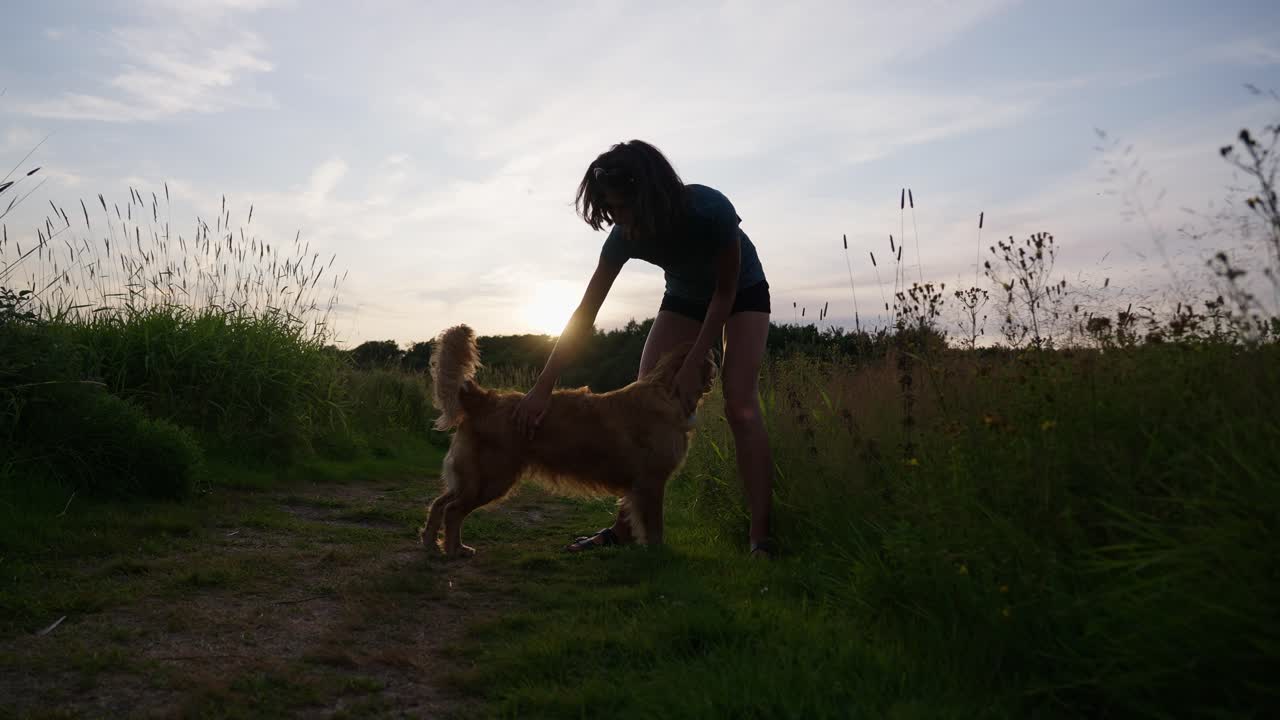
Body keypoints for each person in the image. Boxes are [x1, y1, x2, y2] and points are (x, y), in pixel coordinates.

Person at [512, 140, 775, 558]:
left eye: (620, 207)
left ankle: (761, 538)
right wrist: (544, 384)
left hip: (741, 292)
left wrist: (693, 364)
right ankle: (626, 530)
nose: (617, 219)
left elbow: (724, 293)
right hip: (685, 297)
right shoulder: (623, 237)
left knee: (740, 406)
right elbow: (586, 310)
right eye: (609, 210)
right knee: (641, 401)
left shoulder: (710, 210)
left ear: (649, 194)